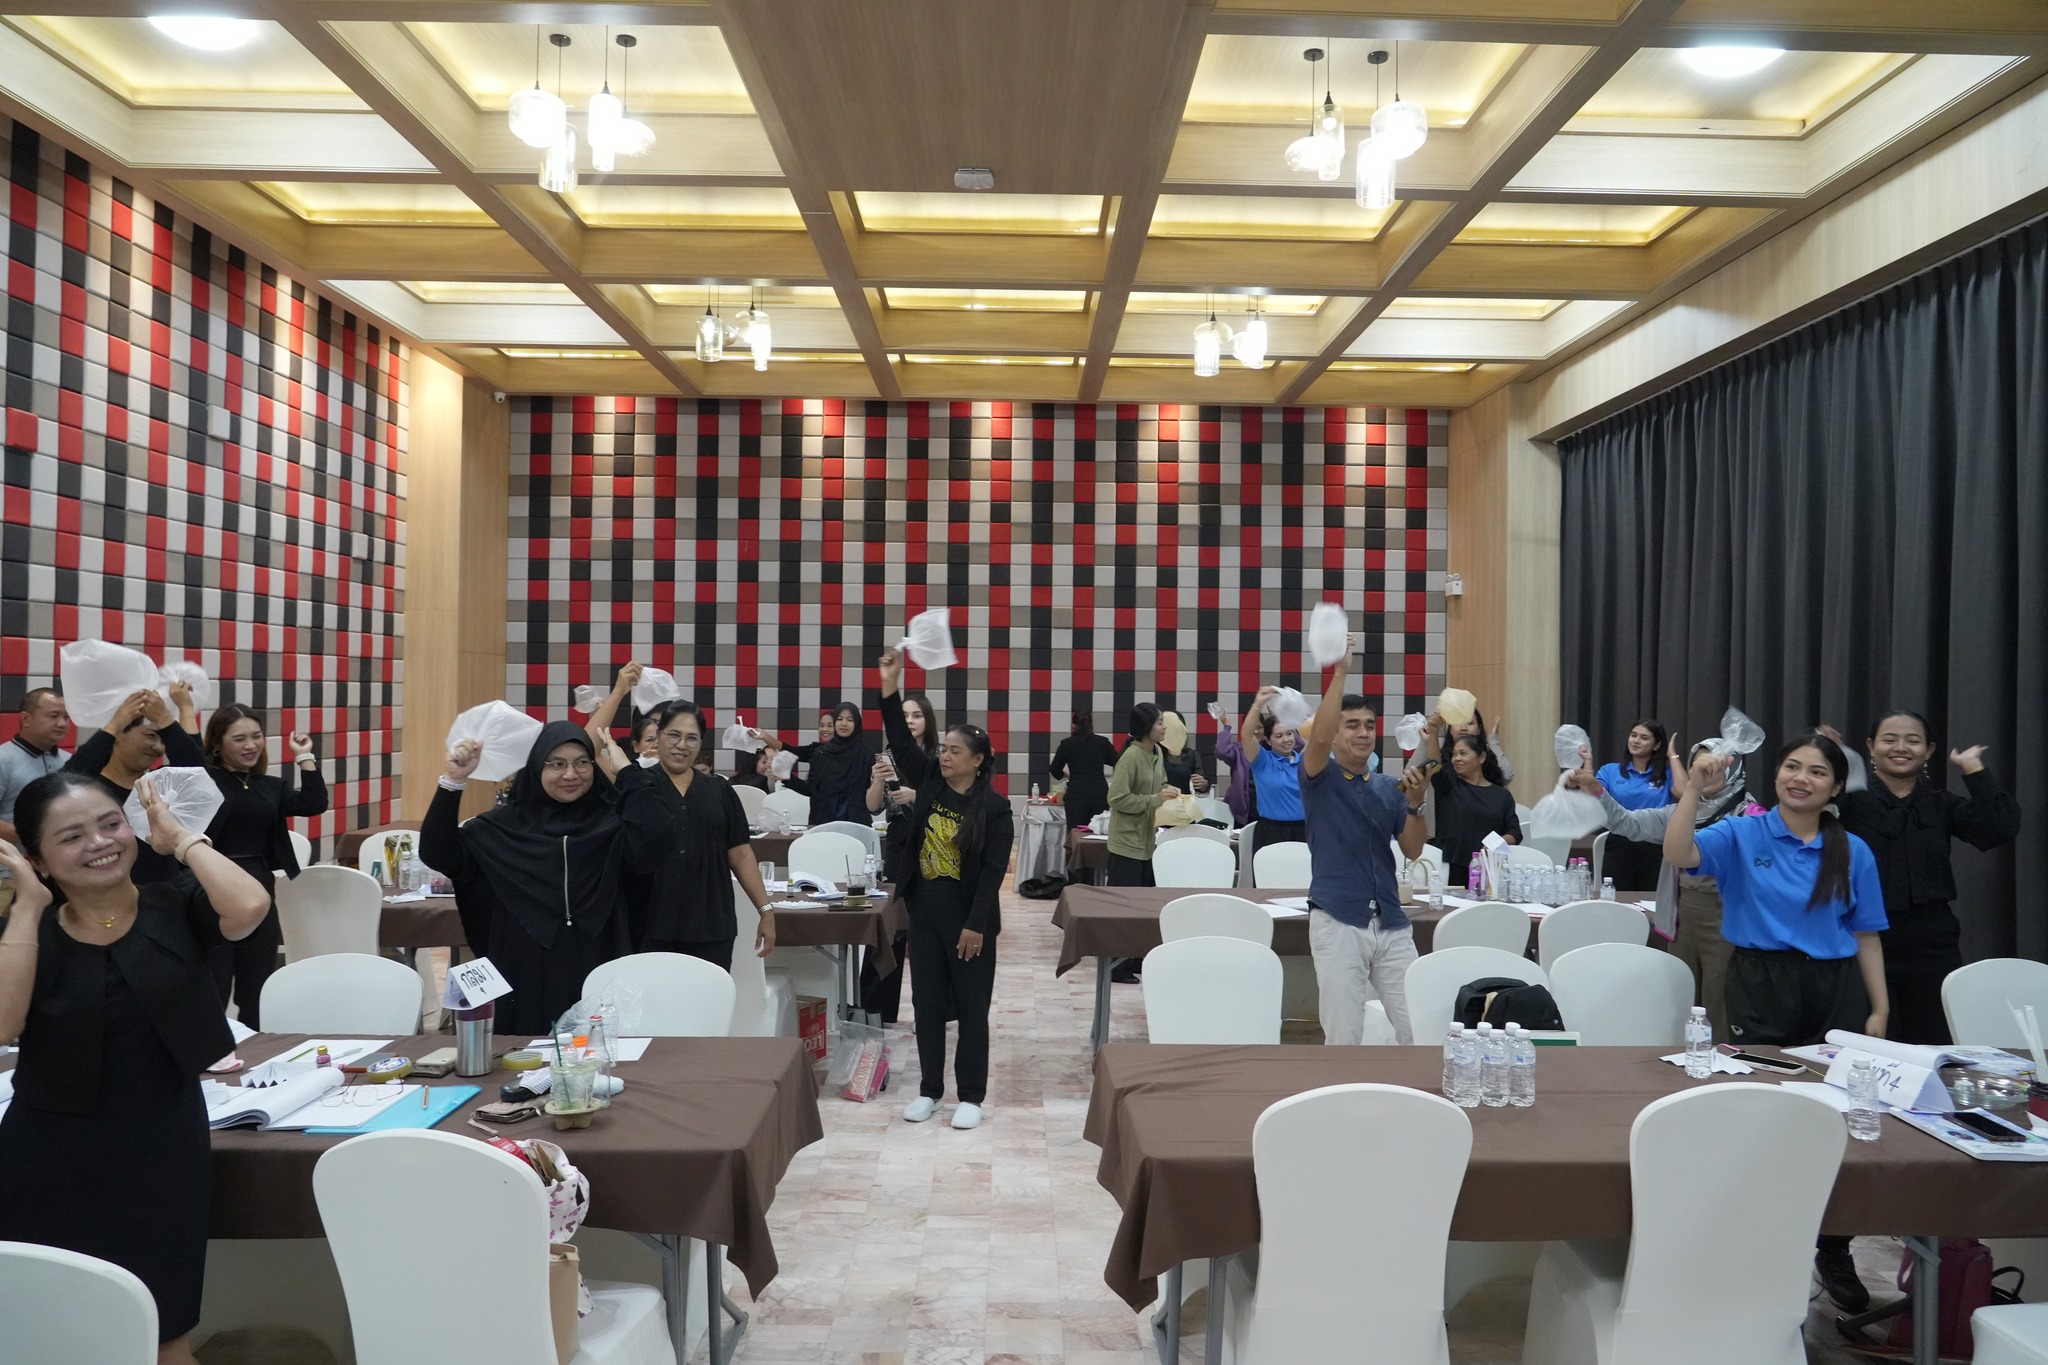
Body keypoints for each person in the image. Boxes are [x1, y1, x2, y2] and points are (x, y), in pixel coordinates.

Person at [0, 772, 270, 1364]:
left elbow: (251, 906)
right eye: (71, 836)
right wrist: (27, 906)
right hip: (46, 1156)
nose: (99, 842)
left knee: (163, 1335)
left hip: (161, 1151)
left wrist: (182, 841)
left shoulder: (175, 903)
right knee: (52, 1335)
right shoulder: (26, 931)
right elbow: (2, 1023)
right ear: (38, 859)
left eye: (110, 824)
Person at [1663, 732, 1889, 1314]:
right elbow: (1679, 853)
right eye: (1792, 766)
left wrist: (1879, 1008)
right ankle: (1753, 1240)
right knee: (1760, 1111)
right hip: (1760, 983)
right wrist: (1693, 792)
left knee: (1836, 1117)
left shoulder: (1853, 850)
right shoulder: (1743, 833)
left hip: (1834, 988)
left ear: (1835, 788)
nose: (1801, 778)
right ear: (1777, 774)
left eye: (1817, 772)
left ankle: (1833, 1247)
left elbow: (1866, 933)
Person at [422, 722, 636, 1036]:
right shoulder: (499, 829)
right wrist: (453, 782)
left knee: (599, 1053)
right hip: (522, 966)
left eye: (582, 762)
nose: (571, 774)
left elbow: (660, 836)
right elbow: (437, 854)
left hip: (597, 957)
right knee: (521, 1055)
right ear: (536, 767)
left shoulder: (614, 822)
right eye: (557, 764)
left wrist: (628, 772)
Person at [875, 647, 1012, 1130]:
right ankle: (930, 1090)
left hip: (970, 919)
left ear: (978, 760)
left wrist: (976, 925)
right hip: (927, 911)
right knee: (927, 1005)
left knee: (972, 1008)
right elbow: (899, 738)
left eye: (955, 750)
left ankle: (971, 1095)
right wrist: (890, 685)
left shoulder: (994, 809)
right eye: (944, 749)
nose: (945, 756)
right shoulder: (931, 780)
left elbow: (993, 874)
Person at [1834, 711, 2020, 1045]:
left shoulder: (1940, 803)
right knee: (1866, 1045)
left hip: (1932, 943)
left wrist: (1973, 769)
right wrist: (1829, 758)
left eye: (1913, 740)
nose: (1900, 747)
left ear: (1929, 750)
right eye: (1889, 739)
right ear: (1871, 746)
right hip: (1860, 937)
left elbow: (2000, 827)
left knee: (1934, 1044)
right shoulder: (1847, 802)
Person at [1571, 734, 1759, 1038]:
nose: (1704, 772)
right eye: (1698, 765)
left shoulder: (1749, 815)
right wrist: (1597, 791)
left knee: (1719, 1000)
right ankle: (1677, 1057)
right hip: (1683, 912)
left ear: (1732, 769)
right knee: (1679, 994)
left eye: (1712, 765)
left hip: (1726, 917)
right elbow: (1626, 823)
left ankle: (1720, 1059)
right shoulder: (1682, 811)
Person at [1301, 634, 1432, 1044]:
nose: (1363, 733)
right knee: (1344, 1036)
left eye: (1370, 726)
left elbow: (1413, 849)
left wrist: (1416, 803)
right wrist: (1341, 671)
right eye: (1352, 725)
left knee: (1420, 1029)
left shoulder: (1389, 787)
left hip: (1391, 921)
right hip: (1338, 919)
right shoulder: (1319, 777)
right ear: (1336, 733)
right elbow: (1317, 739)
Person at [599, 700, 775, 969]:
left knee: (708, 995)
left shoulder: (719, 790)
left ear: (700, 743)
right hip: (647, 923)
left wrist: (765, 910)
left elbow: (740, 854)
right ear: (658, 736)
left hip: (710, 926)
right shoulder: (639, 787)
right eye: (674, 735)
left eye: (692, 738)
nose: (682, 745)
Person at [198, 704, 328, 1028]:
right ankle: (213, 1050)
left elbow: (314, 802)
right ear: (218, 744)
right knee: (213, 984)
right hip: (211, 891)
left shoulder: (270, 786)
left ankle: (257, 1049)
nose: (251, 745)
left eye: (256, 736)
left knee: (257, 985)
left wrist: (304, 755)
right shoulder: (204, 782)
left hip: (260, 889)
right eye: (239, 738)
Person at [66, 685, 207, 886]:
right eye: (150, 736)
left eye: (164, 740)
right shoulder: (89, 789)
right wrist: (114, 723)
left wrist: (170, 716)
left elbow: (198, 773)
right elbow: (66, 779)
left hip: (166, 896)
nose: (158, 747)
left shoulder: (161, 786)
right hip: (108, 895)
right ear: (118, 735)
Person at [1429, 730, 1522, 889]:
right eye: (1454, 754)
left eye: (1463, 753)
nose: (1456, 758)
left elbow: (1515, 832)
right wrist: (1433, 732)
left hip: (1489, 869)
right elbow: (1434, 765)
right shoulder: (1449, 786)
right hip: (1451, 868)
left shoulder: (1502, 795)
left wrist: (1498, 843)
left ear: (1481, 757)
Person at [761, 703, 875, 825]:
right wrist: (788, 778)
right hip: (824, 821)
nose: (844, 723)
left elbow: (872, 792)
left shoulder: (867, 754)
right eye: (839, 719)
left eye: (850, 720)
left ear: (857, 723)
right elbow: (812, 789)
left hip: (857, 822)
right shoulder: (821, 753)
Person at [1106, 703, 1178, 888]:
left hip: (1148, 843)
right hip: (1126, 845)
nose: (1164, 727)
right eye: (1160, 723)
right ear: (1146, 727)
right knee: (1124, 902)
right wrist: (1156, 799)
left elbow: (1161, 782)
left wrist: (1169, 790)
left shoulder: (1157, 751)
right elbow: (1116, 798)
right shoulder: (1130, 757)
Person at [1594, 720, 1670, 892]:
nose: (1636, 741)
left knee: (1652, 898)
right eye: (1633, 735)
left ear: (1657, 745)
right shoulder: (1610, 771)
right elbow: (1593, 796)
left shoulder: (1667, 773)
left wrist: (1672, 756)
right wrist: (1587, 766)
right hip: (1620, 840)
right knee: (1617, 896)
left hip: (1655, 842)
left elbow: (1685, 793)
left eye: (1644, 738)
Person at [0, 688, 71, 843]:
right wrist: (42, 835)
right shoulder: (3, 759)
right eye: (54, 716)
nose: (62, 723)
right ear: (26, 719)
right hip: (11, 857)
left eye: (66, 717)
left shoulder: (70, 761)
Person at [1240, 687, 1305, 852]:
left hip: (1305, 831)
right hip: (1271, 833)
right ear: (1268, 741)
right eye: (1278, 736)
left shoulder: (1306, 762)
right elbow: (1246, 735)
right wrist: (1258, 704)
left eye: (1289, 733)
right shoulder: (1262, 761)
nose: (1286, 739)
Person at [1047, 712, 1118, 829]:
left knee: (1075, 833)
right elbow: (1118, 762)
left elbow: (1054, 769)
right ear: (1091, 725)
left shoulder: (1067, 744)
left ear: (1073, 726)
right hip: (1099, 794)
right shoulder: (1102, 742)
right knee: (1098, 831)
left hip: (1076, 795)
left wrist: (1064, 775)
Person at [1208, 703, 1254, 827]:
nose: (1255, 731)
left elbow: (1297, 746)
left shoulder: (1270, 751)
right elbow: (1221, 750)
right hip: (1241, 810)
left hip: (1267, 809)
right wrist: (1226, 725)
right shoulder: (1238, 750)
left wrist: (1279, 721)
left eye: (1259, 727)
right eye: (1250, 727)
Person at [1159, 712, 1211, 798]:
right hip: (1160, 801)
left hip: (1184, 802)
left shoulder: (1192, 755)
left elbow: (1202, 788)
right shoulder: (1156, 753)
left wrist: (1203, 784)